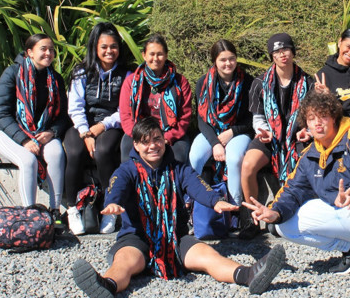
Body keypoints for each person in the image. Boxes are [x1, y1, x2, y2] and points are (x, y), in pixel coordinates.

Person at [72, 118, 286, 298]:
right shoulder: (127, 169)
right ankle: (106, 285)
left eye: (157, 139)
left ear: (164, 141)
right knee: (124, 263)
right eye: (145, 142)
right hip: (136, 238)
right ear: (136, 145)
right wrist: (112, 202)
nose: (153, 146)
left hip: (175, 237)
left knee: (208, 255)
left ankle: (249, 275)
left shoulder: (179, 169)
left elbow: (197, 185)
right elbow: (115, 186)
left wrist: (215, 201)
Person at [244, 91, 350, 298]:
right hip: (349, 216)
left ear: (335, 118)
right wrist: (274, 212)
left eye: (323, 117)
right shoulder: (310, 154)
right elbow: (293, 190)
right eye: (312, 119)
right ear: (306, 125)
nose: (317, 123)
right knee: (282, 224)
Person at [239, 33, 314, 239]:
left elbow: (313, 115)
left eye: (286, 50)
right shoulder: (260, 83)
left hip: (297, 136)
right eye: (277, 51)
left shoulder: (308, 82)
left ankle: (292, 214)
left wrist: (307, 129)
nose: (282, 55)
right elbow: (258, 115)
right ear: (271, 55)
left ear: (293, 52)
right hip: (269, 136)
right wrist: (263, 131)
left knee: (304, 164)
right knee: (247, 166)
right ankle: (253, 218)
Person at [64, 22, 132, 235]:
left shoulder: (127, 73)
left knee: (103, 151)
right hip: (82, 123)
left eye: (113, 46)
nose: (109, 51)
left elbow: (125, 108)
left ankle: (110, 209)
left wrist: (101, 126)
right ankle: (71, 209)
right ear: (95, 47)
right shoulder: (81, 72)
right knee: (74, 152)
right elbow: (74, 107)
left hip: (111, 123)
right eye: (104, 46)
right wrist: (86, 132)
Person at [0, 33, 69, 217]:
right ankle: (30, 215)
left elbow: (64, 116)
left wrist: (52, 132)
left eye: (51, 50)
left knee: (56, 152)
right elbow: (1, 113)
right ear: (30, 52)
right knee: (28, 161)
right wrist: (24, 140)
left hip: (43, 133)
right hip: (10, 134)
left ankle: (55, 211)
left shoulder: (55, 79)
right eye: (43, 49)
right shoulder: (13, 74)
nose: (48, 53)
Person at [189, 39, 254, 206]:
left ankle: (234, 206)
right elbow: (201, 119)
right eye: (222, 60)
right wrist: (215, 143)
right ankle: (194, 203)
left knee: (233, 158)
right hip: (211, 131)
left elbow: (251, 118)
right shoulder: (203, 83)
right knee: (195, 157)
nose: (228, 63)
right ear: (214, 61)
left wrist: (231, 132)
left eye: (231, 58)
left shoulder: (248, 82)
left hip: (238, 132)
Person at [119, 34, 192, 164]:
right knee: (128, 159)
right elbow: (125, 116)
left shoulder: (180, 82)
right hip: (139, 132)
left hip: (171, 133)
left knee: (177, 159)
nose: (155, 58)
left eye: (160, 54)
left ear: (166, 55)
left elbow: (185, 117)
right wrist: (142, 137)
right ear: (144, 55)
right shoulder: (131, 82)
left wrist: (165, 137)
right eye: (151, 54)